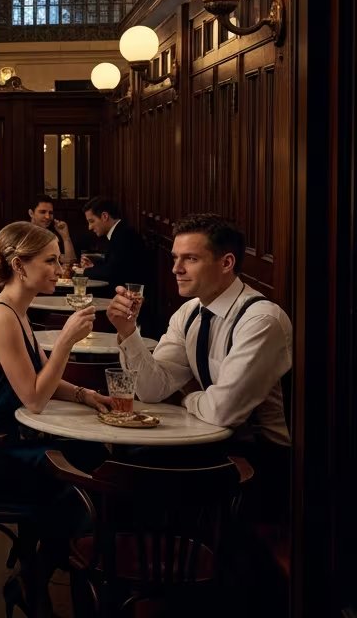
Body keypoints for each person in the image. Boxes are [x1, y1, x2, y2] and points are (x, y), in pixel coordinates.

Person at [0, 222, 110, 610]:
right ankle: (38, 578)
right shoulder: (2, 316)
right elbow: (35, 398)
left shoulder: (17, 311)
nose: (60, 269)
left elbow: (45, 381)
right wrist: (67, 341)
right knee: (79, 484)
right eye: (51, 261)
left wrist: (89, 397)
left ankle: (37, 572)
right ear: (20, 266)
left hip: (4, 443)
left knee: (93, 458)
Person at [106, 213, 291, 502]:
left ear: (226, 263)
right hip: (208, 443)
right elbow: (152, 390)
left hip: (260, 459)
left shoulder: (260, 320)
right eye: (175, 258)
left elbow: (223, 412)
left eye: (190, 259)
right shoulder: (190, 312)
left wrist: (185, 397)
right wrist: (128, 331)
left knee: (133, 479)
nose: (176, 269)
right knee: (116, 468)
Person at [78, 195, 147, 291]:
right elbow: (114, 266)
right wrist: (93, 267)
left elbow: (112, 272)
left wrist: (83, 271)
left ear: (105, 216)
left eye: (92, 221)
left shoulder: (124, 235)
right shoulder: (119, 232)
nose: (90, 227)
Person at [27, 194, 76, 264]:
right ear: (31, 213)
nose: (48, 217)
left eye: (51, 213)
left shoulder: (52, 236)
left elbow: (70, 262)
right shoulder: (23, 235)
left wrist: (65, 237)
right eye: (42, 212)